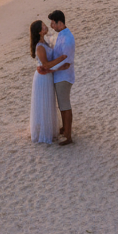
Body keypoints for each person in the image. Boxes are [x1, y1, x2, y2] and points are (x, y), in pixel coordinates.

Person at [29, 20, 68, 143]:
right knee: (44, 103)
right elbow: (45, 64)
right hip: (43, 78)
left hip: (47, 76)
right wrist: (60, 59)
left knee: (48, 102)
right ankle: (44, 133)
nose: (46, 27)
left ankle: (48, 130)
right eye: (44, 26)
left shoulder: (44, 41)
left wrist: (59, 65)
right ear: (40, 31)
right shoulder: (40, 47)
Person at [46, 9, 75, 145]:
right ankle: (65, 128)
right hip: (59, 76)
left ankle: (68, 137)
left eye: (53, 23)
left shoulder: (67, 38)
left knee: (65, 105)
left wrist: (51, 68)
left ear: (60, 23)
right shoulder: (61, 35)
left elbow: (66, 62)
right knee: (62, 105)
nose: (52, 26)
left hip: (64, 77)